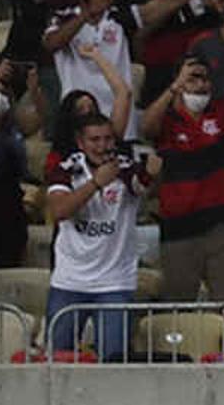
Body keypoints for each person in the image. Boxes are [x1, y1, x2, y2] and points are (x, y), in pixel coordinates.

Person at [141, 49, 224, 302]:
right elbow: (145, 127)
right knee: (178, 308)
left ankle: (219, 342)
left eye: (205, 78)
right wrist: (175, 87)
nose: (201, 85)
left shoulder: (221, 113)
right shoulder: (167, 121)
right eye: (193, 78)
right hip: (179, 231)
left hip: (218, 227)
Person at [45, 115, 158, 360]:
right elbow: (59, 211)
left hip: (114, 283)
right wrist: (96, 183)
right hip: (69, 281)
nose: (102, 146)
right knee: (55, 362)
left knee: (113, 363)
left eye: (108, 139)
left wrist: (152, 173)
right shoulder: (65, 169)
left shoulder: (126, 168)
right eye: (94, 139)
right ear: (80, 142)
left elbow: (142, 185)